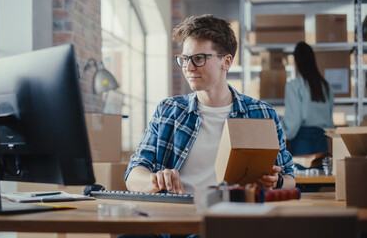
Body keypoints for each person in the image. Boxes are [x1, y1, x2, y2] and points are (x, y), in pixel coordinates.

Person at [125, 14, 295, 198]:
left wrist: (277, 182)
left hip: (238, 217)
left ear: (226, 62)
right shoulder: (169, 111)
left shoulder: (261, 113)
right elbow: (133, 174)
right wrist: (156, 180)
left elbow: (289, 177)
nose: (188, 67)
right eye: (184, 58)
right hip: (183, 219)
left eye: (198, 58)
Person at [282, 41, 334, 156]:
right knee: (322, 173)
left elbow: (294, 120)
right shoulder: (326, 86)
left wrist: (282, 135)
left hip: (302, 141)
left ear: (297, 62)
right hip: (322, 141)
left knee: (300, 174)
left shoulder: (294, 86)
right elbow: (330, 121)